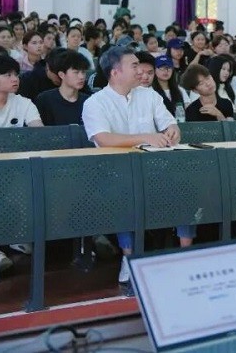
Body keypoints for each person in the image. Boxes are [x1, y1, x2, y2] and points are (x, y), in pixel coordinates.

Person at [82, 46, 187, 287]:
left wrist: (173, 131)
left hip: (154, 169)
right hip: (115, 173)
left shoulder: (149, 96)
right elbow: (104, 139)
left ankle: (185, 255)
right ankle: (129, 259)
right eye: (134, 66)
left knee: (186, 187)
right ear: (115, 72)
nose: (141, 71)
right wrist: (146, 137)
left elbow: (169, 124)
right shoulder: (95, 103)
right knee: (125, 195)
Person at [0, 54, 43, 273]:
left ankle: (15, 236)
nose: (15, 79)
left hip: (15, 169)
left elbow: (38, 133)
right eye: (7, 75)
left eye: (16, 74)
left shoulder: (24, 103)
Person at [35, 50, 90, 126]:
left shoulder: (89, 101)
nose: (81, 77)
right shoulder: (45, 100)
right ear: (62, 75)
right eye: (76, 72)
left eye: (83, 72)